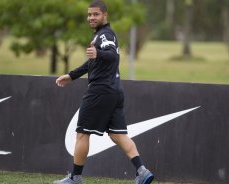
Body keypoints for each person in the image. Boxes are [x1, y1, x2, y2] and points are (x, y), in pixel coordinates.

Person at [54, 1, 154, 184]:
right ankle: (142, 171)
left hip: (100, 91)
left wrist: (98, 54)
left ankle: (75, 179)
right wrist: (71, 75)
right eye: (89, 14)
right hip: (115, 92)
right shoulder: (103, 36)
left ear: (105, 16)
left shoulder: (104, 35)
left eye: (96, 14)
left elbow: (112, 56)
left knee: (82, 134)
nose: (91, 17)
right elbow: (93, 62)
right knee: (118, 135)